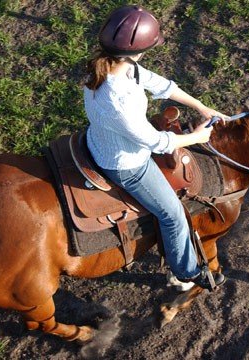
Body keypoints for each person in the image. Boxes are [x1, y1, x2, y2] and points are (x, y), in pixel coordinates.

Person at [83, 5, 228, 290]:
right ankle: (186, 271)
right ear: (137, 50)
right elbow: (154, 142)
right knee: (172, 214)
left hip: (100, 139)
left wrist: (200, 105)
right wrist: (197, 138)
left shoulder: (115, 66)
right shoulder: (118, 97)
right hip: (126, 164)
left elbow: (158, 84)